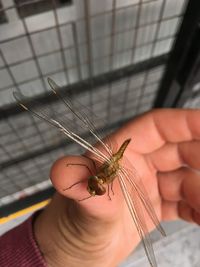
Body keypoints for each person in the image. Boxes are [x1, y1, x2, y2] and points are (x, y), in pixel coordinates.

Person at [1, 109, 200, 267]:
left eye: (98, 187)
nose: (94, 188)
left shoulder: (116, 178)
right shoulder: (94, 171)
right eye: (97, 186)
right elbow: (86, 166)